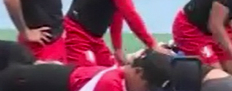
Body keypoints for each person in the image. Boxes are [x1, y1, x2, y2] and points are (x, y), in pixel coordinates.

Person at [0, 49, 172, 91]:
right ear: (138, 72)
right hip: (19, 84)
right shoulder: (110, 84)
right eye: (147, 88)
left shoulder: (120, 75)